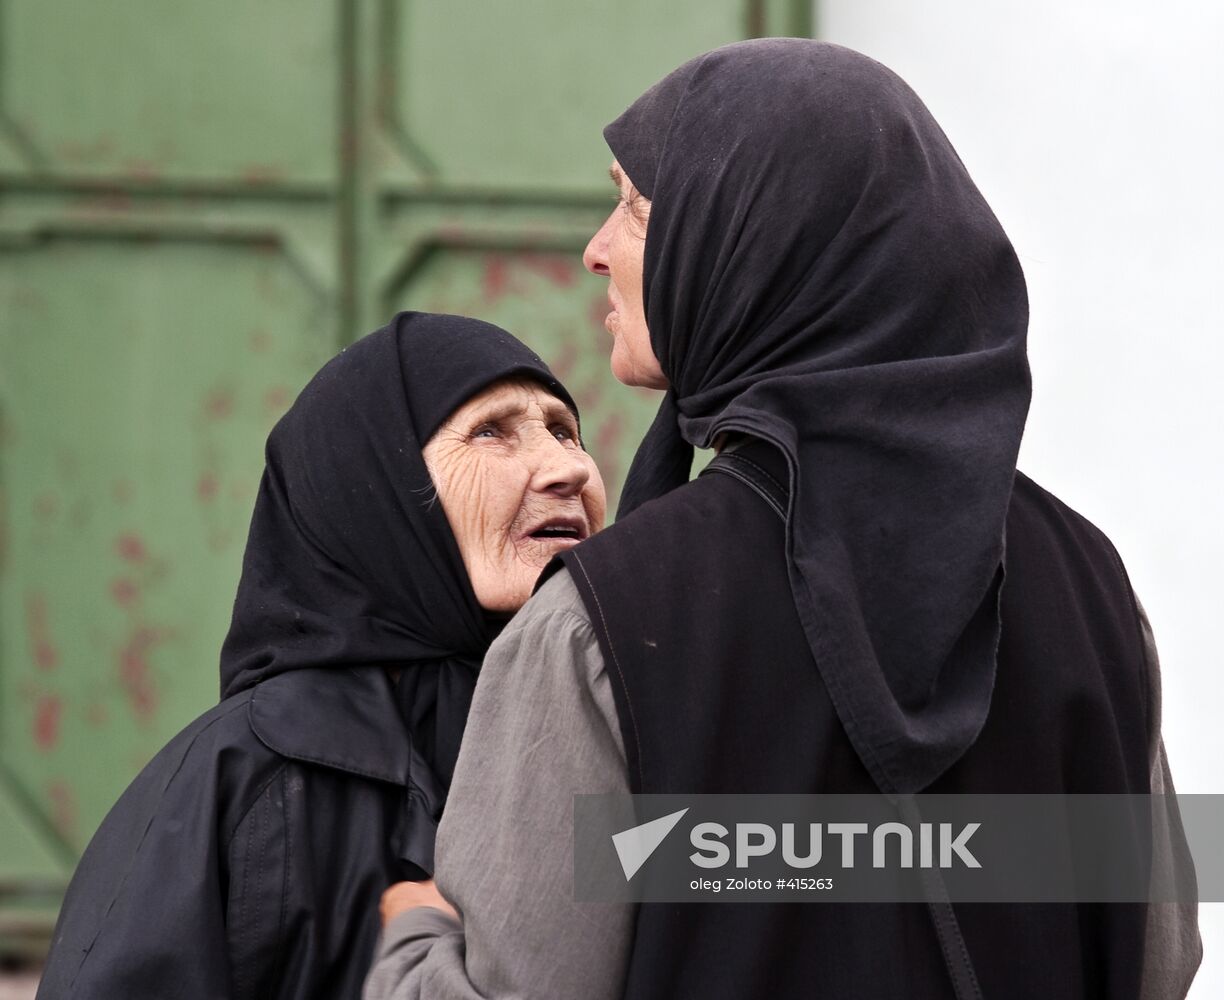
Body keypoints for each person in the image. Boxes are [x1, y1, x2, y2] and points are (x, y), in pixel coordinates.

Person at [364, 40, 1201, 1000]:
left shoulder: (605, 628)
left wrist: (411, 932)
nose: (596, 246)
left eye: (635, 208)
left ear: (753, 248)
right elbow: (1159, 967)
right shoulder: (1092, 591)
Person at [35, 311, 606, 1000]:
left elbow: (758, 879)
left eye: (564, 431)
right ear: (375, 489)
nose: (569, 467)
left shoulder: (621, 727)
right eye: (491, 431)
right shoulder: (247, 781)